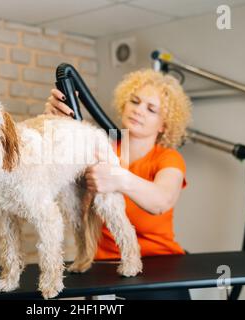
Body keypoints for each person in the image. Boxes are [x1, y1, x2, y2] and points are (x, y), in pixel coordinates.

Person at [44, 69, 192, 299]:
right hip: (105, 267)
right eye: (135, 101)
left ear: (164, 125)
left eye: (151, 109)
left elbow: (162, 201)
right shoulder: (101, 148)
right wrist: (56, 122)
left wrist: (118, 177)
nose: (138, 110)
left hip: (161, 266)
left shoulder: (168, 158)